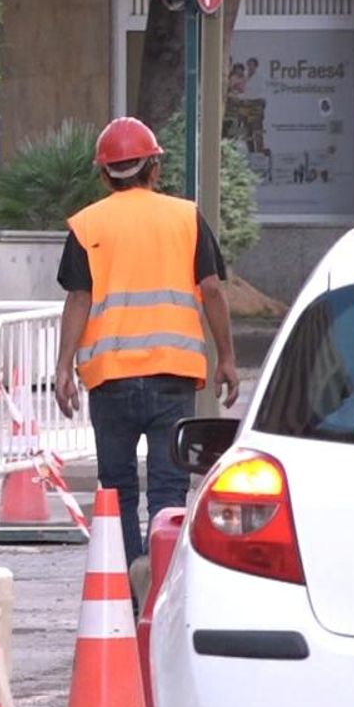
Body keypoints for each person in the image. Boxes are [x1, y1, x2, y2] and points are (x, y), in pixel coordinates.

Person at [55, 116, 240, 570]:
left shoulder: (87, 224)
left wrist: (63, 368)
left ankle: (123, 589)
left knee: (115, 488)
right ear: (153, 169)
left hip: (110, 379)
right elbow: (212, 290)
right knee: (168, 490)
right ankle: (159, 582)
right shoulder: (184, 218)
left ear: (104, 174)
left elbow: (79, 298)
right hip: (172, 377)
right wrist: (227, 360)